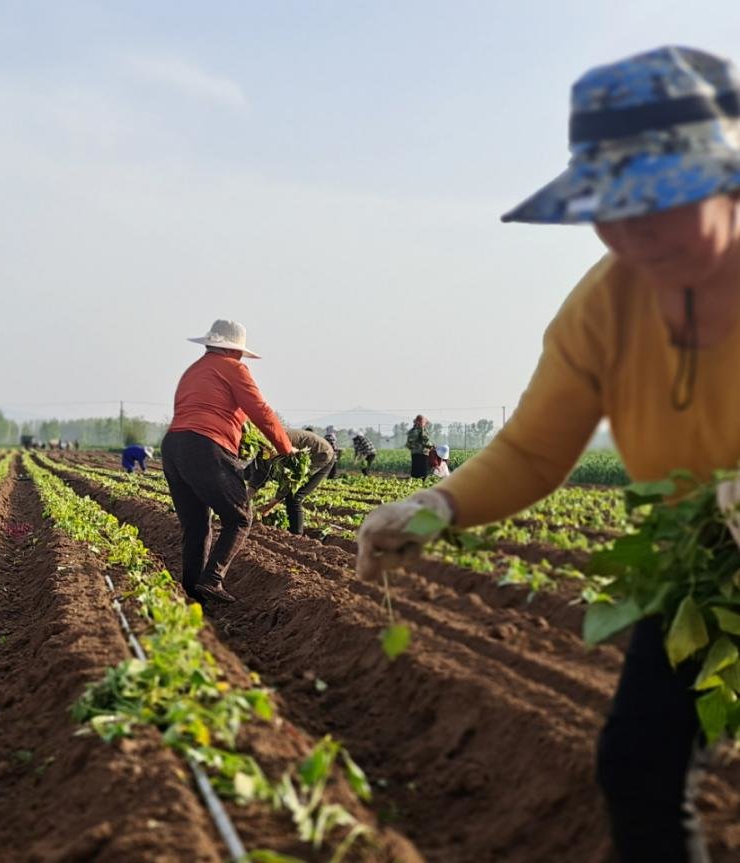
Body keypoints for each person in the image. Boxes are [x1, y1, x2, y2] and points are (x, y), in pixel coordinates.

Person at [356, 46, 740, 863]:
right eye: (610, 205)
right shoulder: (605, 307)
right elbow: (534, 449)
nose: (632, 231)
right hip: (698, 569)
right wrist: (437, 503)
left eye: (658, 201)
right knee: (637, 766)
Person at [161, 319, 294, 604]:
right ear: (233, 350)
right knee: (239, 517)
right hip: (205, 447)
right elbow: (260, 410)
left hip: (174, 446)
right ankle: (211, 580)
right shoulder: (233, 368)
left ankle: (192, 595)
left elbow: (203, 411)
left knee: (196, 526)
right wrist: (285, 448)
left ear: (211, 344)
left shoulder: (193, 371)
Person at [251, 427, 336, 535]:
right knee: (291, 496)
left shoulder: (283, 447)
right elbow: (258, 475)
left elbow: (290, 481)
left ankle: (296, 535)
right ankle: (294, 533)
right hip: (306, 453)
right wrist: (244, 500)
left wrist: (268, 507)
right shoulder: (261, 448)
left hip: (321, 455)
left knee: (295, 497)